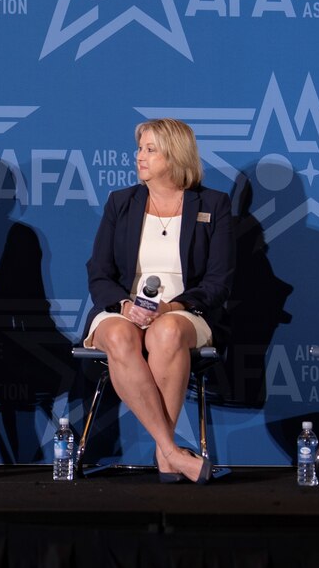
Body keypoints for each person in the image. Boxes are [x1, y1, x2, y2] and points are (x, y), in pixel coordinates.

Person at [83, 118, 234, 484]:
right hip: (122, 308)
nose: (140, 157)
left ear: (175, 155)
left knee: (165, 332)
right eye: (139, 148)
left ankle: (166, 454)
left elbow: (219, 280)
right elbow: (98, 272)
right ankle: (170, 452)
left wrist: (170, 307)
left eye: (150, 149)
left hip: (184, 311)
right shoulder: (121, 203)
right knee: (120, 336)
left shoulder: (213, 204)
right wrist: (124, 306)